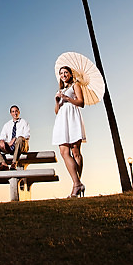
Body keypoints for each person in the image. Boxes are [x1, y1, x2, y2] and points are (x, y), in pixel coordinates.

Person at [53, 65, 86, 198]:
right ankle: (77, 183)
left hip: (72, 117)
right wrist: (57, 101)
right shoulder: (60, 89)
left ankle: (76, 185)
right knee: (63, 151)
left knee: (75, 151)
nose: (63, 75)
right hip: (62, 120)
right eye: (61, 73)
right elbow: (57, 111)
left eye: (66, 72)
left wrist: (68, 99)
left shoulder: (75, 85)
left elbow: (81, 102)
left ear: (70, 74)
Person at [0, 105, 30, 170]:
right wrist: (2, 141)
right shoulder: (7, 124)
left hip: (21, 146)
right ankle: (3, 164)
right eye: (13, 112)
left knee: (20, 139)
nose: (15, 113)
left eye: (16, 111)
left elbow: (27, 136)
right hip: (10, 147)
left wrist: (14, 139)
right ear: (11, 113)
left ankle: (14, 163)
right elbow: (2, 135)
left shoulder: (24, 122)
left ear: (19, 112)